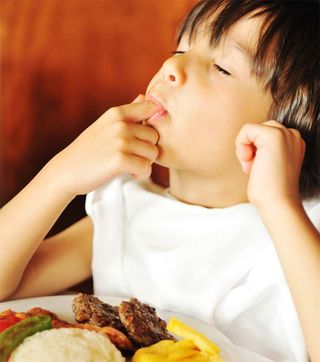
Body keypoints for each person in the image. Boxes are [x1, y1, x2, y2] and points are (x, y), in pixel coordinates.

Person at [0, 0, 319, 361]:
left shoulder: (301, 229)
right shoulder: (128, 212)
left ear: (291, 125)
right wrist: (59, 176)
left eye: (222, 67)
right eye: (180, 48)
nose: (172, 66)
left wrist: (280, 206)